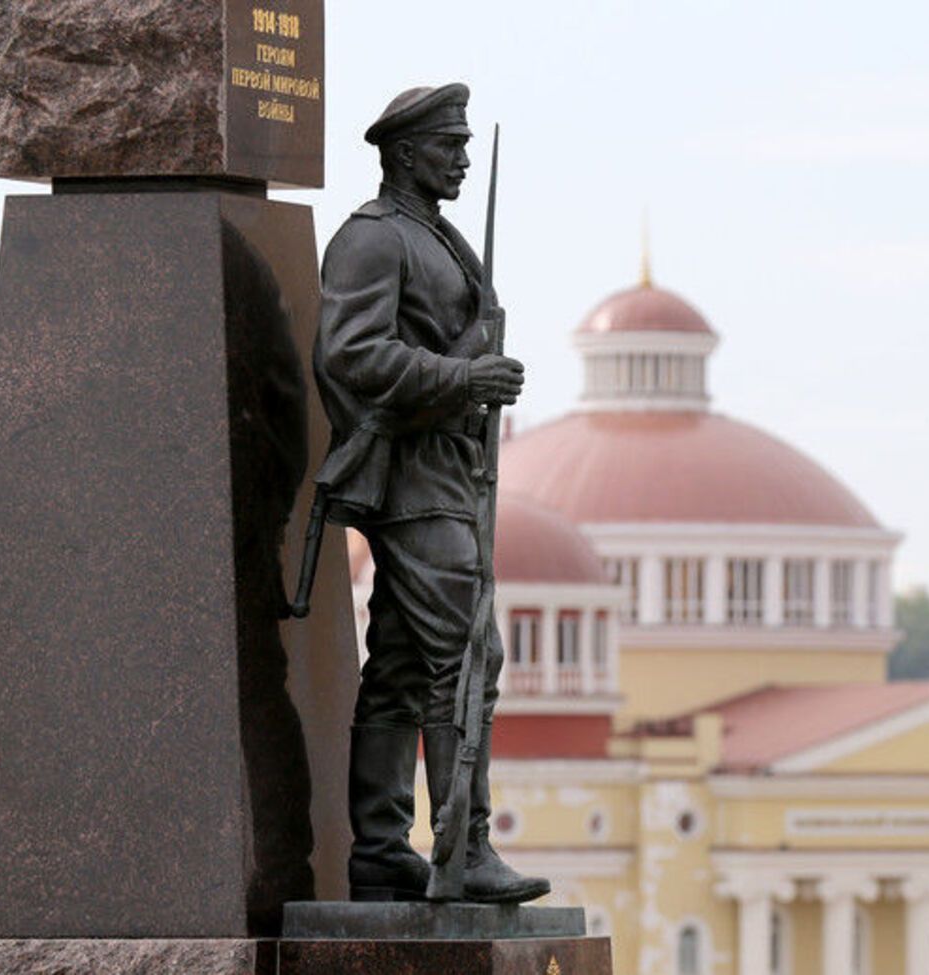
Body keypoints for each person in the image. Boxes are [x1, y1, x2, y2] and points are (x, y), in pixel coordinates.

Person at [313, 83, 550, 904]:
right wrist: (464, 374)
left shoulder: (435, 238)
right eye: (448, 146)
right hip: (410, 472)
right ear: (405, 153)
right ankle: (465, 848)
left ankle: (382, 850)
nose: (462, 158)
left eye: (464, 145)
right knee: (468, 654)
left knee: (404, 668)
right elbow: (350, 352)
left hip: (448, 466)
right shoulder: (373, 240)